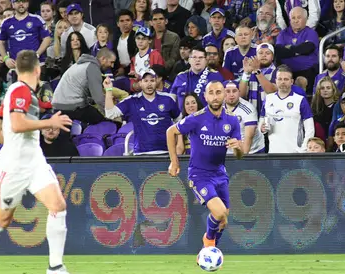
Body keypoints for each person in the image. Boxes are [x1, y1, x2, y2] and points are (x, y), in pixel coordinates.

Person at [0, 50, 78, 274]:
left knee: (58, 206)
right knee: (3, 219)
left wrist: (18, 146)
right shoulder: (19, 91)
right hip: (13, 169)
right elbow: (17, 124)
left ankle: (55, 266)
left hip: (34, 162)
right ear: (38, 70)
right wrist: (49, 123)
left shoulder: (23, 94)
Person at [166, 80, 244, 248]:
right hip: (199, 174)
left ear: (224, 94)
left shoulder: (232, 120)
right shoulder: (196, 119)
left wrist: (238, 147)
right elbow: (170, 131)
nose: (215, 97)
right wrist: (174, 162)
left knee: (223, 220)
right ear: (205, 97)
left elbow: (239, 154)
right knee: (219, 212)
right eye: (211, 93)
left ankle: (209, 252)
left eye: (218, 92)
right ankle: (208, 242)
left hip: (220, 174)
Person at [105, 68, 180, 154]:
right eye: (146, 81)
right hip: (141, 153)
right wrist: (108, 90)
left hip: (166, 152)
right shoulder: (132, 101)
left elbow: (179, 121)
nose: (149, 84)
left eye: (152, 80)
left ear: (156, 82)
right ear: (140, 83)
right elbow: (110, 113)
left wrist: (177, 145)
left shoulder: (168, 99)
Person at [259, 65, 315, 153]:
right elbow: (261, 122)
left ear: (292, 81)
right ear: (275, 81)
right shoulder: (268, 99)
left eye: (286, 79)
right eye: (280, 79)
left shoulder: (300, 100)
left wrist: (303, 149)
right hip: (273, 152)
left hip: (295, 152)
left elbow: (310, 128)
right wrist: (262, 129)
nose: (283, 82)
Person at [52, 47, 116, 124]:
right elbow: (98, 99)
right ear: (103, 59)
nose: (112, 66)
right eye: (111, 62)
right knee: (105, 122)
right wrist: (112, 115)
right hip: (71, 107)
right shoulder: (93, 68)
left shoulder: (82, 64)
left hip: (58, 106)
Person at [275, 7, 319, 93]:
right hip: (286, 71)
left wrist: (289, 48)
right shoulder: (283, 33)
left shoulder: (311, 33)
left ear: (305, 19)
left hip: (307, 71)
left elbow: (307, 48)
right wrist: (298, 50)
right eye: (293, 18)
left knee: (300, 81)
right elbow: (279, 51)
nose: (296, 21)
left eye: (299, 18)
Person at [0, 0, 52, 70]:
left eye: (23, 1)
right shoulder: (6, 22)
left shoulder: (37, 19)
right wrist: (6, 58)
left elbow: (47, 39)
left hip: (36, 64)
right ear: (13, 4)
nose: (21, 4)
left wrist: (37, 54)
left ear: (28, 3)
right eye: (18, 2)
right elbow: (0, 42)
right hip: (16, 66)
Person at [223, 80, 261, 154]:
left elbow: (249, 137)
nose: (231, 95)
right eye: (227, 91)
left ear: (239, 92)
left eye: (234, 91)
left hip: (252, 151)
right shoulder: (217, 107)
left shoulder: (248, 109)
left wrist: (243, 158)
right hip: (229, 150)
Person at [150, 8, 180, 74]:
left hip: (167, 74)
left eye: (161, 19)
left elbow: (174, 59)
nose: (158, 22)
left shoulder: (174, 37)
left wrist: (160, 70)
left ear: (166, 21)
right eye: (155, 19)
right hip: (149, 74)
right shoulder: (148, 39)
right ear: (151, 23)